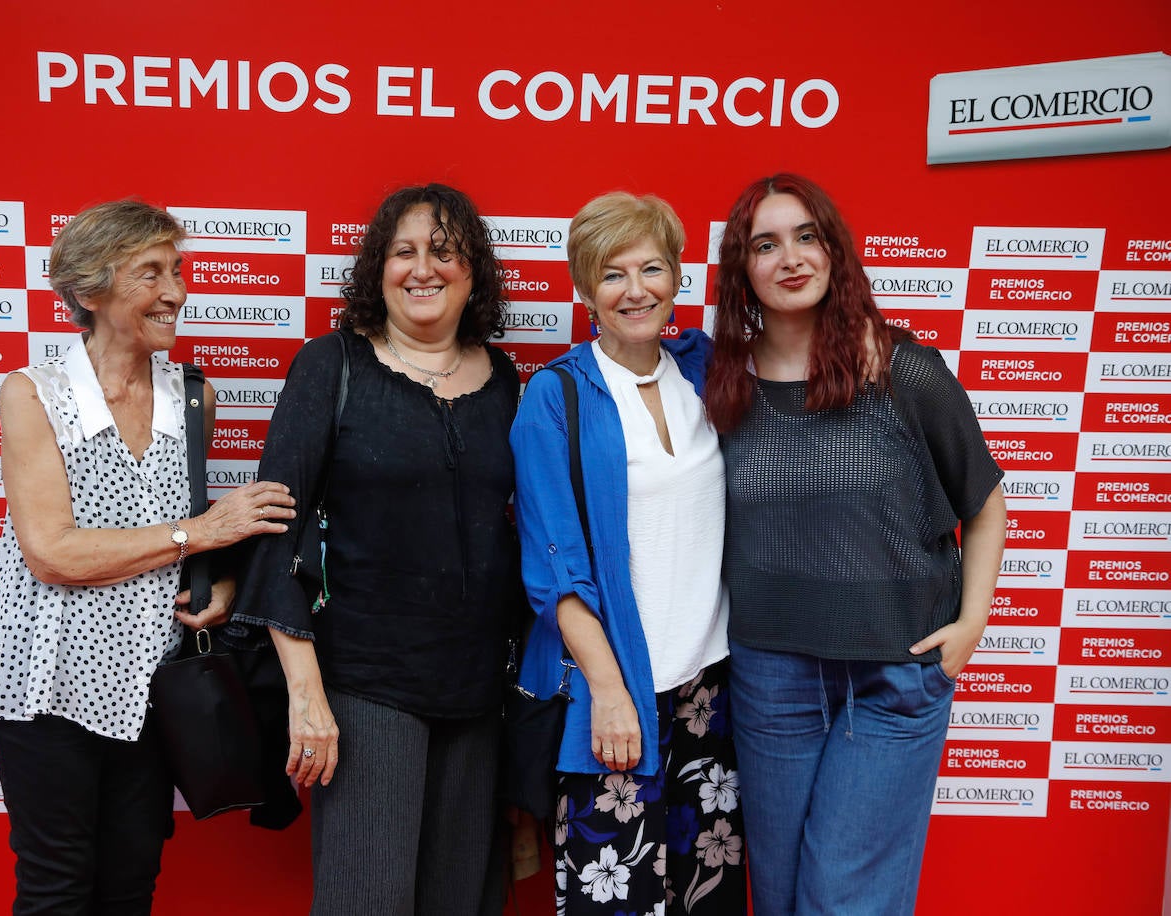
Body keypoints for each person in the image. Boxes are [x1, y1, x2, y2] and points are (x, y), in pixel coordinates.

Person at [0, 200, 296, 915]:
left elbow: (184, 543)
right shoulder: (35, 394)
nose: (175, 292)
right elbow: (51, 553)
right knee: (56, 889)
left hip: (151, 686)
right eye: (151, 274)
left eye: (177, 271)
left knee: (131, 884)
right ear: (89, 291)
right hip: (45, 684)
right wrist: (199, 535)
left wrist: (220, 579)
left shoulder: (194, 397)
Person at [704, 173, 1007, 915]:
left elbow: (987, 500)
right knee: (776, 893)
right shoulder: (721, 383)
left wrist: (970, 626)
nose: (791, 258)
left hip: (894, 673)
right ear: (742, 270)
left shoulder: (905, 369)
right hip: (771, 674)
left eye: (807, 237)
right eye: (766, 245)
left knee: (844, 896)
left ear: (835, 250)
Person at [226, 183, 520, 914]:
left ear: (473, 271)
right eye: (404, 252)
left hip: (478, 695)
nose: (424, 269)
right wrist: (307, 695)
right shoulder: (333, 365)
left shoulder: (508, 381)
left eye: (445, 252)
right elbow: (275, 527)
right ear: (377, 269)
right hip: (364, 689)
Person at [511, 192, 745, 915]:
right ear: (585, 290)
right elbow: (556, 572)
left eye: (651, 269)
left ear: (676, 277)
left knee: (708, 896)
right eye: (612, 274)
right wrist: (611, 694)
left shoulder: (705, 371)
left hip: (710, 694)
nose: (635, 289)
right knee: (612, 900)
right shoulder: (557, 396)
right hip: (610, 694)